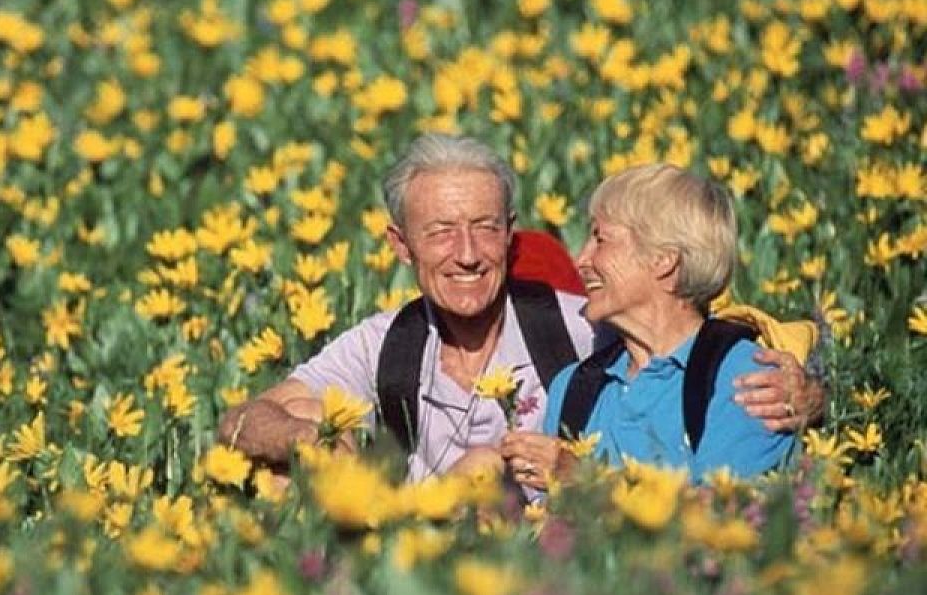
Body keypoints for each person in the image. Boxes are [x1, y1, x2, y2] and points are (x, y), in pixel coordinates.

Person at [218, 135, 818, 482]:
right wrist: (309, 441)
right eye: (442, 233)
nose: (469, 254)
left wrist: (810, 392)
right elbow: (239, 420)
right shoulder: (384, 343)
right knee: (289, 435)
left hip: (543, 557)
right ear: (400, 246)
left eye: (484, 228)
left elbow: (695, 326)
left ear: (511, 234)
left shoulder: (582, 328)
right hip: (413, 543)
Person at [504, 164, 798, 490]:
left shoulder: (746, 379)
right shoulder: (574, 389)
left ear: (663, 260)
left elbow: (726, 520)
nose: (581, 260)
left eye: (601, 240)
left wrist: (587, 483)